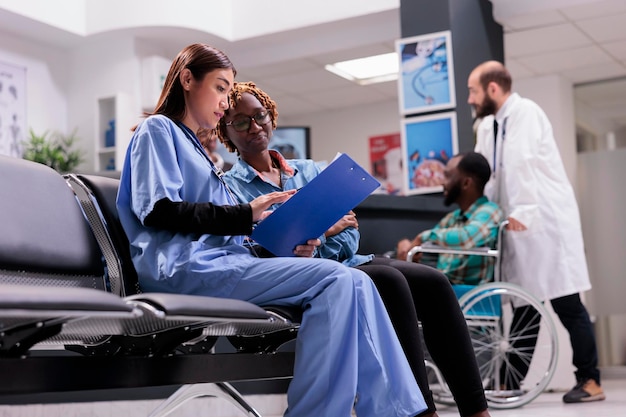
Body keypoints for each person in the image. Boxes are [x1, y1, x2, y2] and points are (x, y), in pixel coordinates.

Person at [115, 43, 427, 417]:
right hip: (183, 269)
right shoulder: (158, 130)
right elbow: (160, 211)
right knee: (336, 281)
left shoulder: (197, 150)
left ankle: (394, 411)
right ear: (186, 80)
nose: (222, 102)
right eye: (219, 87)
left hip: (220, 263)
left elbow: (221, 229)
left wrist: (274, 240)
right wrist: (246, 214)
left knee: (352, 281)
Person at [218, 81, 492, 417]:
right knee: (391, 282)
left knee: (434, 282)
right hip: (309, 279)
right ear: (225, 133)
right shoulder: (231, 190)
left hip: (350, 261)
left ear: (271, 117)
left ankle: (477, 410)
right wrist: (325, 231)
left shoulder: (310, 171)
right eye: (241, 122)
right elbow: (266, 249)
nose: (255, 126)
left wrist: (318, 238)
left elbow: (350, 235)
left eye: (259, 116)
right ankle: (423, 411)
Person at [468, 60, 605, 403]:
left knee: (566, 302)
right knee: (525, 306)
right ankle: (507, 383)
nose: (470, 98)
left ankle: (590, 380)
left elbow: (521, 162)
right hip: (519, 227)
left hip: (545, 222)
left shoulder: (525, 113)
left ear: (493, 88)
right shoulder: (489, 125)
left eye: (473, 90)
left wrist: (524, 211)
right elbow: (490, 173)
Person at [396, 152, 504, 286]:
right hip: (444, 287)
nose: (442, 182)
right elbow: (424, 245)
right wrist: (406, 245)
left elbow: (466, 238)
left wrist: (423, 237)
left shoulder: (490, 211)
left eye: (447, 176)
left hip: (467, 292)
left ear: (466, 183)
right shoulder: (452, 218)